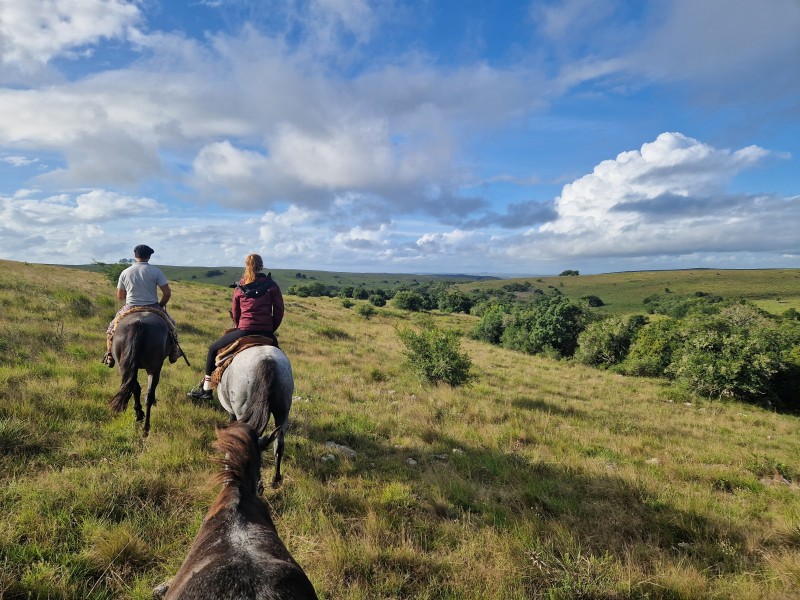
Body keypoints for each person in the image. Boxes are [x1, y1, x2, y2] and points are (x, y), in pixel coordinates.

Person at [188, 253, 284, 401]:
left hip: (245, 329)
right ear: (262, 266)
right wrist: (271, 329)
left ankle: (206, 389)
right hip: (267, 332)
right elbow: (279, 311)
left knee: (213, 349)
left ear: (247, 266)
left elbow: (235, 313)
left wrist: (240, 327)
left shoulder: (240, 287)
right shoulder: (272, 286)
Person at [104, 244, 182, 366]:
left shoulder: (125, 272)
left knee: (111, 329)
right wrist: (161, 305)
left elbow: (120, 296)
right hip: (153, 306)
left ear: (135, 255)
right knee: (172, 326)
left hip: (130, 307)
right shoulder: (156, 272)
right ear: (149, 257)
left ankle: (109, 354)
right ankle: (174, 351)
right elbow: (167, 293)